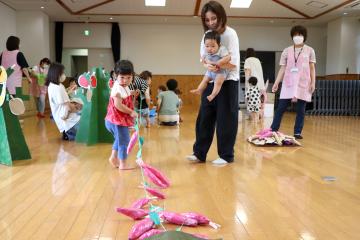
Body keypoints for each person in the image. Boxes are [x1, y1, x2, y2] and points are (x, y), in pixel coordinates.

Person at [187, 1, 240, 165]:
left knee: (226, 119)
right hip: (211, 79)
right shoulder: (207, 35)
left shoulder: (230, 34)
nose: (211, 23)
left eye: (214, 18)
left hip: (228, 81)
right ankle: (199, 153)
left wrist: (218, 65)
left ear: (221, 16)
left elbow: (233, 63)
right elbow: (203, 58)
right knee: (204, 117)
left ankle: (226, 155)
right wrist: (207, 65)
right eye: (207, 20)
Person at [271, 25, 316, 140]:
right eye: (295, 35)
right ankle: (273, 129)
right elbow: (282, 68)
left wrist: (313, 83)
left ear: (304, 36)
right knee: (281, 107)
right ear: (292, 36)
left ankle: (297, 132)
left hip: (303, 83)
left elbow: (312, 68)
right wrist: (276, 82)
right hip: (288, 83)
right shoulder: (287, 51)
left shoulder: (310, 50)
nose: (297, 37)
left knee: (301, 109)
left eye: (300, 35)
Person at [105, 60, 138, 170]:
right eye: (122, 77)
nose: (125, 81)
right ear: (116, 76)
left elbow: (126, 93)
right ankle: (123, 164)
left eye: (129, 77)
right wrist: (131, 112)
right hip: (117, 121)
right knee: (124, 141)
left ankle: (113, 157)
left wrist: (132, 92)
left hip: (117, 120)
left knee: (120, 139)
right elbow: (118, 105)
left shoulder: (123, 85)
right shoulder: (117, 88)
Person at [191, 30, 230, 102]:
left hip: (220, 72)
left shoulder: (222, 49)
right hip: (210, 72)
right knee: (205, 79)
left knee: (218, 83)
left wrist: (219, 62)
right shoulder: (206, 51)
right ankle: (199, 90)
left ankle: (213, 95)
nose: (209, 48)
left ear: (219, 45)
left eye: (213, 46)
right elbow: (203, 59)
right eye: (207, 46)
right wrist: (204, 61)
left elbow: (228, 57)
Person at [46, 63, 81, 141]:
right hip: (70, 124)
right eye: (62, 73)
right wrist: (78, 108)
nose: (64, 75)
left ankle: (68, 134)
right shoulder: (58, 87)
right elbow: (69, 107)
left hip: (66, 124)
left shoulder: (52, 86)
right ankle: (70, 134)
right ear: (56, 73)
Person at [244, 48, 266, 118]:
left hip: (252, 83)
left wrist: (247, 84)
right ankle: (260, 115)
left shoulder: (247, 60)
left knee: (251, 100)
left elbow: (248, 72)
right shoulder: (257, 60)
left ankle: (253, 117)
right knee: (258, 100)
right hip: (261, 84)